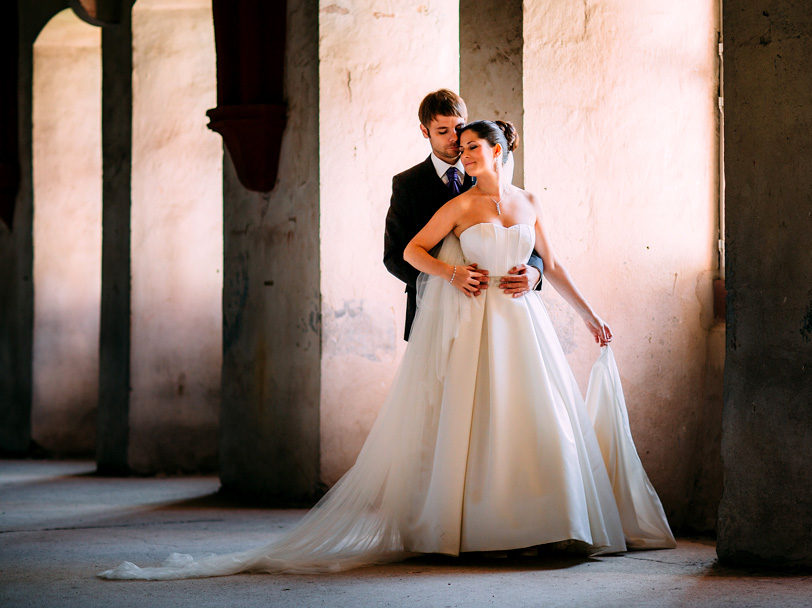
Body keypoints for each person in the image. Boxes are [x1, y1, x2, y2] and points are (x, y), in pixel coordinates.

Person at [98, 120, 675, 581]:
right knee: (477, 423)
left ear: (500, 150)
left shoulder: (530, 202)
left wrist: (586, 312)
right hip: (476, 323)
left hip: (523, 323)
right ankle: (481, 533)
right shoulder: (460, 204)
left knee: (536, 417)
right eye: (462, 147)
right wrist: (454, 274)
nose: (466, 155)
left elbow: (555, 263)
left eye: (475, 147)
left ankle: (546, 525)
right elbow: (413, 250)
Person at [384, 89, 544, 340]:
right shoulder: (407, 184)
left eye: (458, 128)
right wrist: (445, 282)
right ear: (425, 131)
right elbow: (394, 255)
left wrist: (535, 273)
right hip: (430, 310)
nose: (453, 138)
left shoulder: (488, 170)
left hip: (496, 309)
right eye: (442, 131)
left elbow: (521, 234)